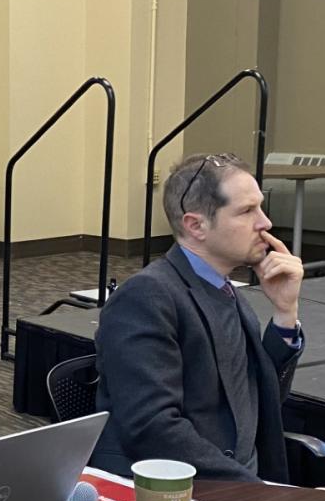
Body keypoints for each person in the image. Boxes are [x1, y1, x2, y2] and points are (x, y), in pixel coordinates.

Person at [90, 152, 306, 483]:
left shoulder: (226, 291)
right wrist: (261, 494)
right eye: (247, 211)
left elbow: (262, 400)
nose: (265, 223)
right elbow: (153, 429)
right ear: (196, 225)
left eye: (260, 207)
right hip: (180, 496)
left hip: (242, 492)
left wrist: (285, 313)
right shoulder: (147, 297)